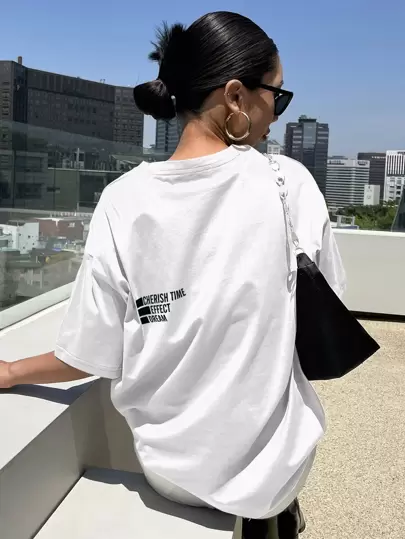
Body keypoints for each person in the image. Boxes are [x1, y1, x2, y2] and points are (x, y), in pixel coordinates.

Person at [0, 11, 346, 539]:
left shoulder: (122, 199)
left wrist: (10, 372)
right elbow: (331, 302)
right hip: (274, 471)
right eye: (277, 95)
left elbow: (89, 353)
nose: (277, 114)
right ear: (235, 96)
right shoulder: (289, 183)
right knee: (274, 481)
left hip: (170, 474)